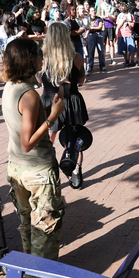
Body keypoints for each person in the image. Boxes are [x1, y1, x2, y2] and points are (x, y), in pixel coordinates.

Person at [0, 39, 66, 278]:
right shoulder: (29, 95)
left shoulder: (10, 87)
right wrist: (53, 117)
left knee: (27, 224)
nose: (42, 57)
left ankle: (28, 274)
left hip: (17, 168)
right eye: (38, 53)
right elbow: (28, 141)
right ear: (28, 59)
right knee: (45, 231)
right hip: (37, 170)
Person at [38, 23, 88, 188]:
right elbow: (80, 80)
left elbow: (39, 80)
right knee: (73, 139)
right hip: (71, 100)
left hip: (49, 102)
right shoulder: (76, 57)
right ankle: (75, 171)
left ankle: (47, 174)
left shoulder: (43, 59)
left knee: (47, 140)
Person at [86, 7, 106, 74]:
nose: (93, 12)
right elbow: (87, 27)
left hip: (99, 35)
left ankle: (102, 65)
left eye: (94, 10)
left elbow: (100, 27)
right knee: (91, 51)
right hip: (91, 35)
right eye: (92, 11)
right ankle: (89, 66)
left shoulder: (99, 18)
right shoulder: (88, 19)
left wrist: (92, 28)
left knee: (101, 50)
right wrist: (92, 28)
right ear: (89, 12)